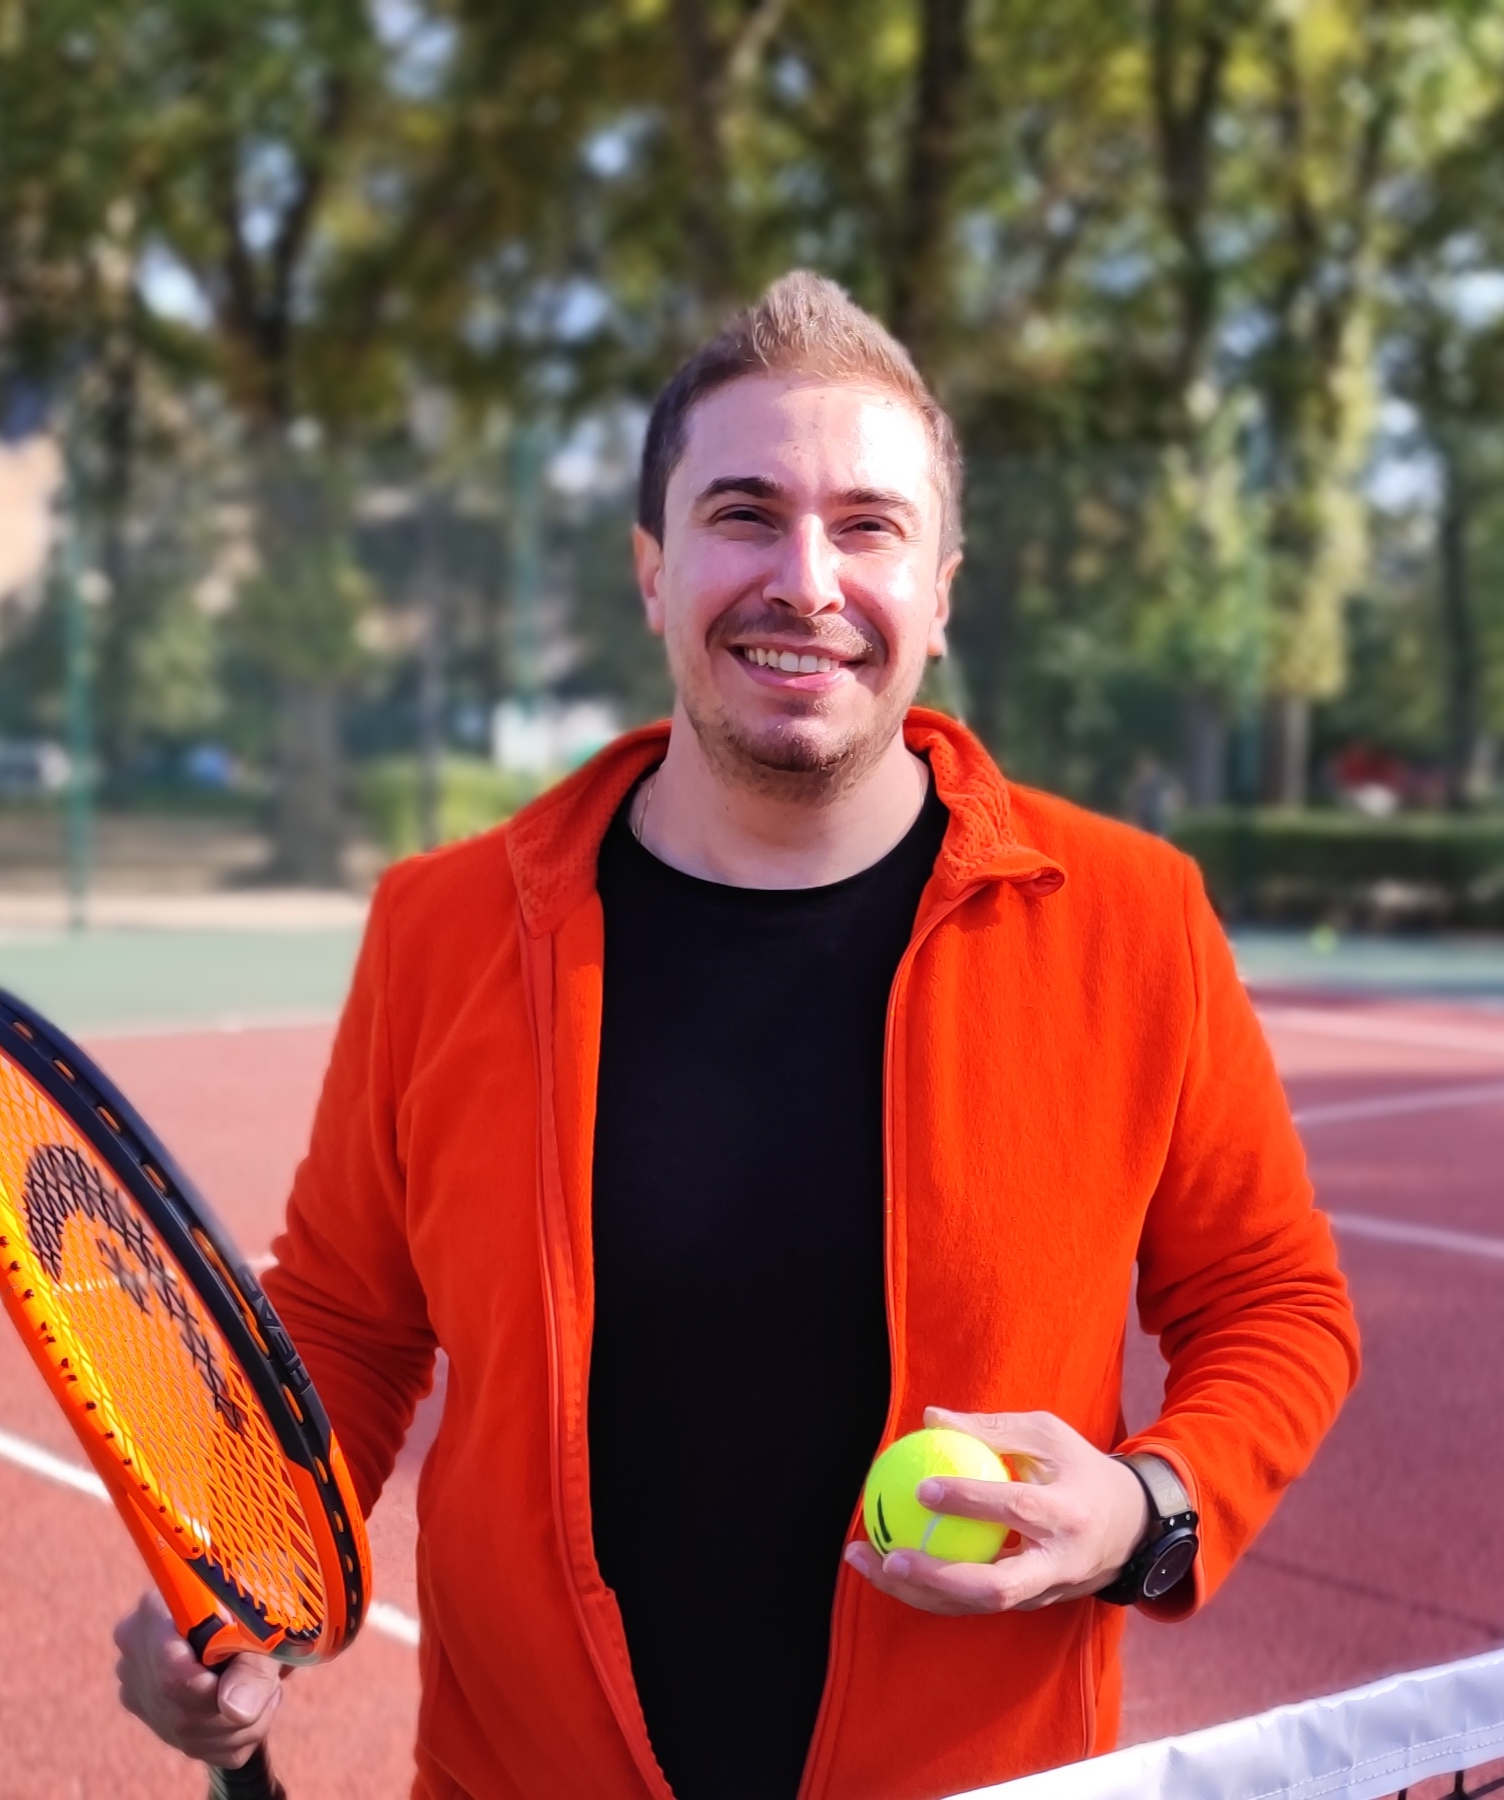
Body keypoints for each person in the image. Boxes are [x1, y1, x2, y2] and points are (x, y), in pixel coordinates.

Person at [114, 272, 1360, 1799]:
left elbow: (1275, 1303)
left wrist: (1142, 1511)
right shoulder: (441, 925)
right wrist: (246, 1573)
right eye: (744, 515)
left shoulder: (1128, 917)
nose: (806, 581)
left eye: (867, 526)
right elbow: (351, 1320)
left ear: (940, 595)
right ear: (652, 570)